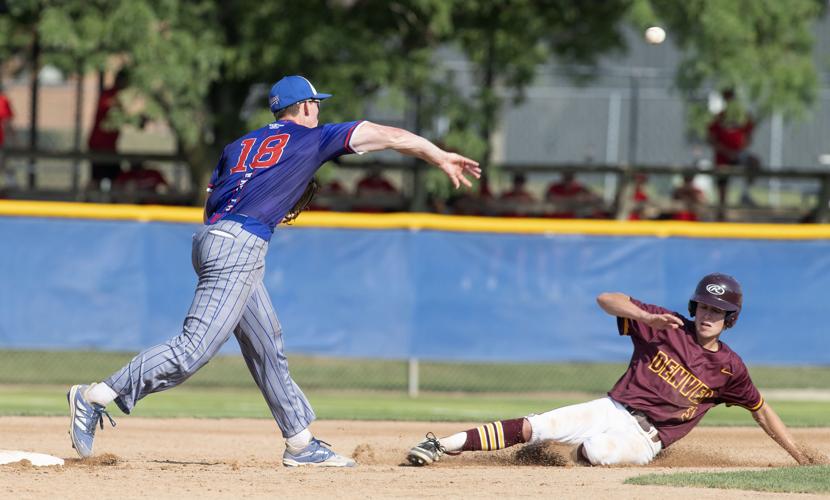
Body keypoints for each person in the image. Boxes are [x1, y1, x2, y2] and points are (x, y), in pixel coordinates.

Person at [67, 75, 480, 467]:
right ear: (302, 107)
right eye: (315, 104)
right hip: (240, 247)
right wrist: (437, 154)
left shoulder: (240, 144)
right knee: (193, 349)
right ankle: (96, 395)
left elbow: (214, 201)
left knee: (267, 344)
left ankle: (300, 443)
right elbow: (390, 136)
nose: (318, 112)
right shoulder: (315, 137)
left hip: (213, 238)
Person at [407, 273, 812, 467]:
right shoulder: (665, 325)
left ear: (731, 318)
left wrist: (799, 455)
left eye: (719, 311)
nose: (709, 315)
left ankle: (561, 456)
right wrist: (643, 317)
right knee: (536, 425)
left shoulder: (729, 368)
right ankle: (440, 444)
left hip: (645, 439)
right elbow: (606, 298)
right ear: (694, 307)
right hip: (612, 408)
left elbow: (760, 409)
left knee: (598, 451)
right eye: (704, 306)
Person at [707, 88, 761, 215]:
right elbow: (711, 139)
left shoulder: (742, 116)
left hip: (738, 155)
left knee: (754, 162)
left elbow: (749, 135)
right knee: (722, 183)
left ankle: (745, 193)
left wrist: (740, 149)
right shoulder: (719, 118)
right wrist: (726, 152)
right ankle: (721, 212)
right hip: (723, 157)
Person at [88, 69, 129, 189]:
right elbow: (115, 111)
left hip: (110, 146)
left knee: (115, 177)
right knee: (97, 178)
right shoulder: (109, 95)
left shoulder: (116, 96)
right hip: (99, 145)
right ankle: (87, 201)